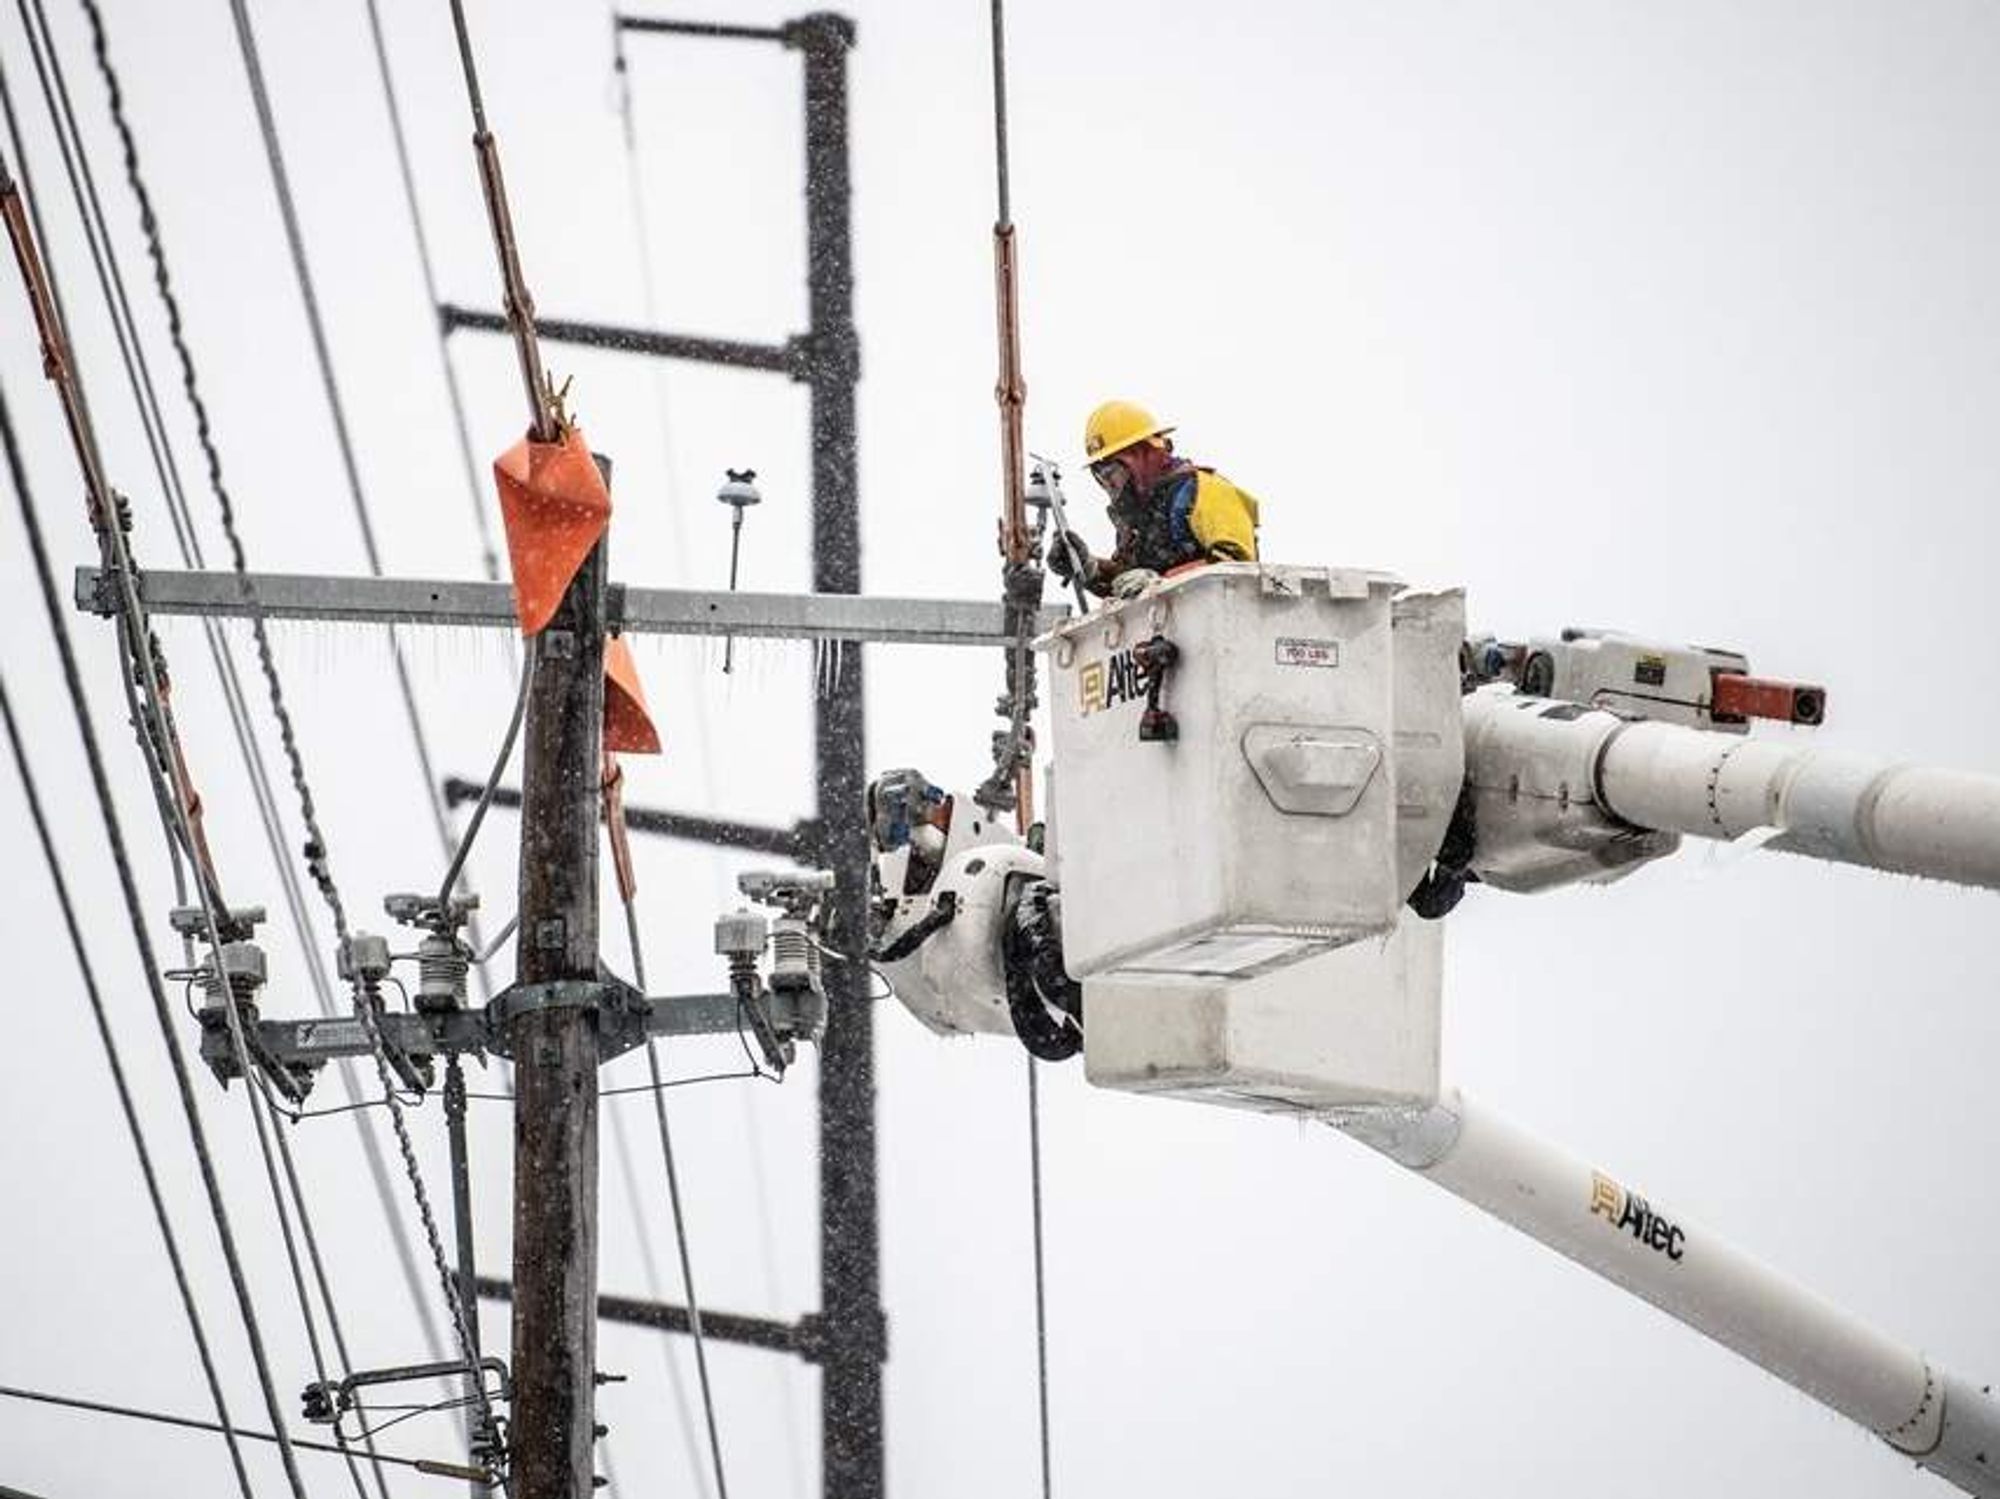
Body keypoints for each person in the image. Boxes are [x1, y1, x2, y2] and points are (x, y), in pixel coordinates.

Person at [1048, 399, 1260, 596]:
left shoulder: (1206, 490)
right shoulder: (1137, 519)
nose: (1109, 485)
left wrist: (1160, 584)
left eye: (1111, 472)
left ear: (1143, 452)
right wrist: (1090, 569)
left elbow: (1237, 571)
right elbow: (1129, 584)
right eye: (1100, 476)